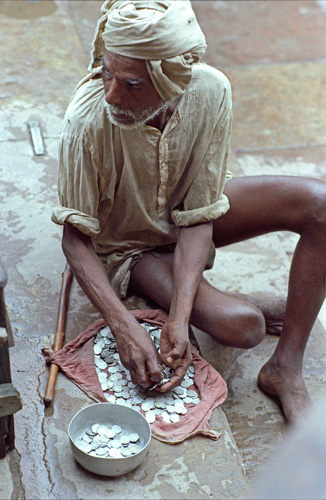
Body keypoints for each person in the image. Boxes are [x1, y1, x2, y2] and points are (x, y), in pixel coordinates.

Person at [52, 0, 326, 423]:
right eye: (107, 72)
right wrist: (125, 327)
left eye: (132, 84)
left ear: (172, 80)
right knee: (244, 327)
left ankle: (285, 367)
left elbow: (199, 214)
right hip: (130, 247)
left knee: (321, 206)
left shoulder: (210, 90)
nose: (112, 94)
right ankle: (244, 304)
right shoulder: (87, 121)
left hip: (185, 221)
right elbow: (76, 239)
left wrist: (179, 319)